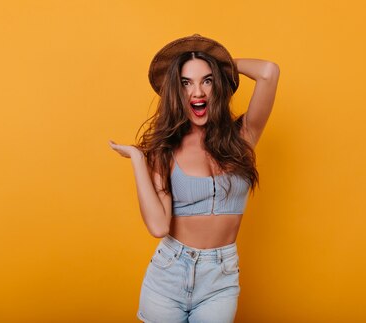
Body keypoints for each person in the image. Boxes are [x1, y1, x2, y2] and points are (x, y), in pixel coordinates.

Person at [108, 34, 280, 323]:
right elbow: (158, 225)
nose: (197, 92)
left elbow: (269, 72)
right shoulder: (165, 151)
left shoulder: (243, 137)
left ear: (217, 86)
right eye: (186, 83)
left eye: (207, 81)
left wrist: (218, 65)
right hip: (169, 274)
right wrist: (138, 159)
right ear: (177, 91)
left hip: (221, 278)